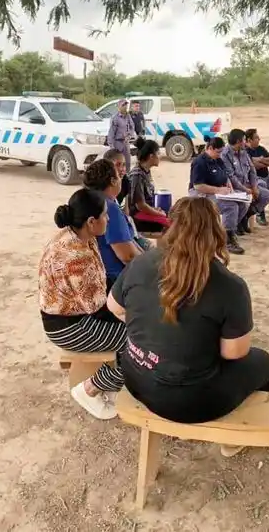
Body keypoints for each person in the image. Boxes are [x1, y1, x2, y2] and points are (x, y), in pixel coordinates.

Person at [106, 197, 269, 458]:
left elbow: (114, 307)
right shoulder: (230, 285)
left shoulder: (141, 262)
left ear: (171, 227)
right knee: (263, 362)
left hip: (135, 379)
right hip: (189, 403)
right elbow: (234, 353)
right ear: (216, 232)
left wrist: (151, 324)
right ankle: (232, 438)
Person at [39, 188, 127, 420]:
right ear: (91, 221)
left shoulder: (78, 235)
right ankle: (90, 389)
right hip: (69, 327)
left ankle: (111, 381)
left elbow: (103, 283)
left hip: (78, 315)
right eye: (105, 215)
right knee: (141, 343)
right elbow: (99, 310)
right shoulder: (77, 256)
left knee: (139, 327)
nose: (108, 218)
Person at [83, 159, 143, 287]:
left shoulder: (91, 201)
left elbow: (129, 243)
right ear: (113, 181)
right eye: (118, 176)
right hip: (115, 280)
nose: (121, 179)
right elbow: (128, 255)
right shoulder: (108, 208)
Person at [189, 136, 248, 255]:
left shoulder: (218, 160)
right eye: (218, 152)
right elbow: (198, 186)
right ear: (210, 148)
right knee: (230, 206)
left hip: (219, 191)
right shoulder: (199, 162)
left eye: (221, 152)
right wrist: (218, 190)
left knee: (243, 204)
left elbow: (225, 176)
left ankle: (229, 231)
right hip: (201, 194)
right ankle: (226, 240)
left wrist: (229, 186)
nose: (220, 154)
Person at [221, 128, 268, 235]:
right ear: (238, 141)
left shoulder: (243, 152)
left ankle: (244, 218)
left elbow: (252, 170)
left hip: (248, 184)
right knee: (242, 202)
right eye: (244, 140)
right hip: (235, 187)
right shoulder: (225, 155)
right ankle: (235, 226)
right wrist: (246, 189)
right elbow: (231, 177)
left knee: (266, 196)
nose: (245, 142)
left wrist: (254, 187)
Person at [128, 138, 171, 233]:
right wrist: (159, 213)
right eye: (158, 153)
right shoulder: (137, 175)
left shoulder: (145, 171)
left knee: (172, 215)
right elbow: (140, 206)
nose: (160, 156)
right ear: (151, 156)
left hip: (144, 211)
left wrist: (156, 210)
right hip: (137, 215)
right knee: (170, 223)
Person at [107, 99, 135, 172]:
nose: (125, 107)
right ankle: (118, 178)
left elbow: (132, 127)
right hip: (117, 143)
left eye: (126, 105)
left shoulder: (128, 116)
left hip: (126, 143)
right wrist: (112, 146)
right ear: (119, 107)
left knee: (127, 162)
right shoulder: (115, 118)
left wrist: (129, 135)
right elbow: (111, 133)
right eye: (123, 105)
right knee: (118, 163)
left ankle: (127, 178)